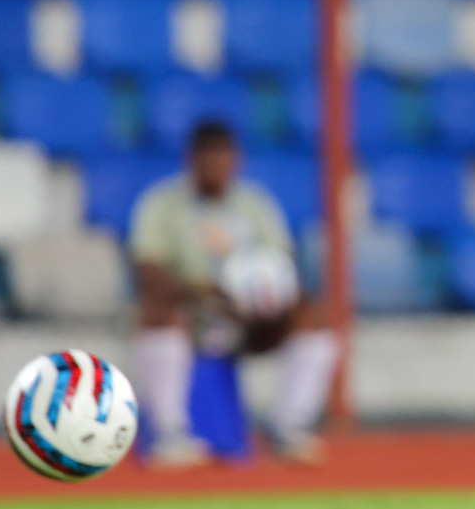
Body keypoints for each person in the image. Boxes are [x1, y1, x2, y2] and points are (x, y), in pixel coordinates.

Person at [128, 120, 338, 467]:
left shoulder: (254, 204)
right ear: (191, 160)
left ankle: (288, 426)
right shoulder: (163, 204)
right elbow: (148, 272)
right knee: (156, 312)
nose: (216, 168)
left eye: (224, 159)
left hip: (249, 318)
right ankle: (169, 433)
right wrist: (203, 292)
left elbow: (282, 263)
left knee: (313, 316)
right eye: (208, 159)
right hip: (192, 314)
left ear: (236, 161)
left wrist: (261, 297)